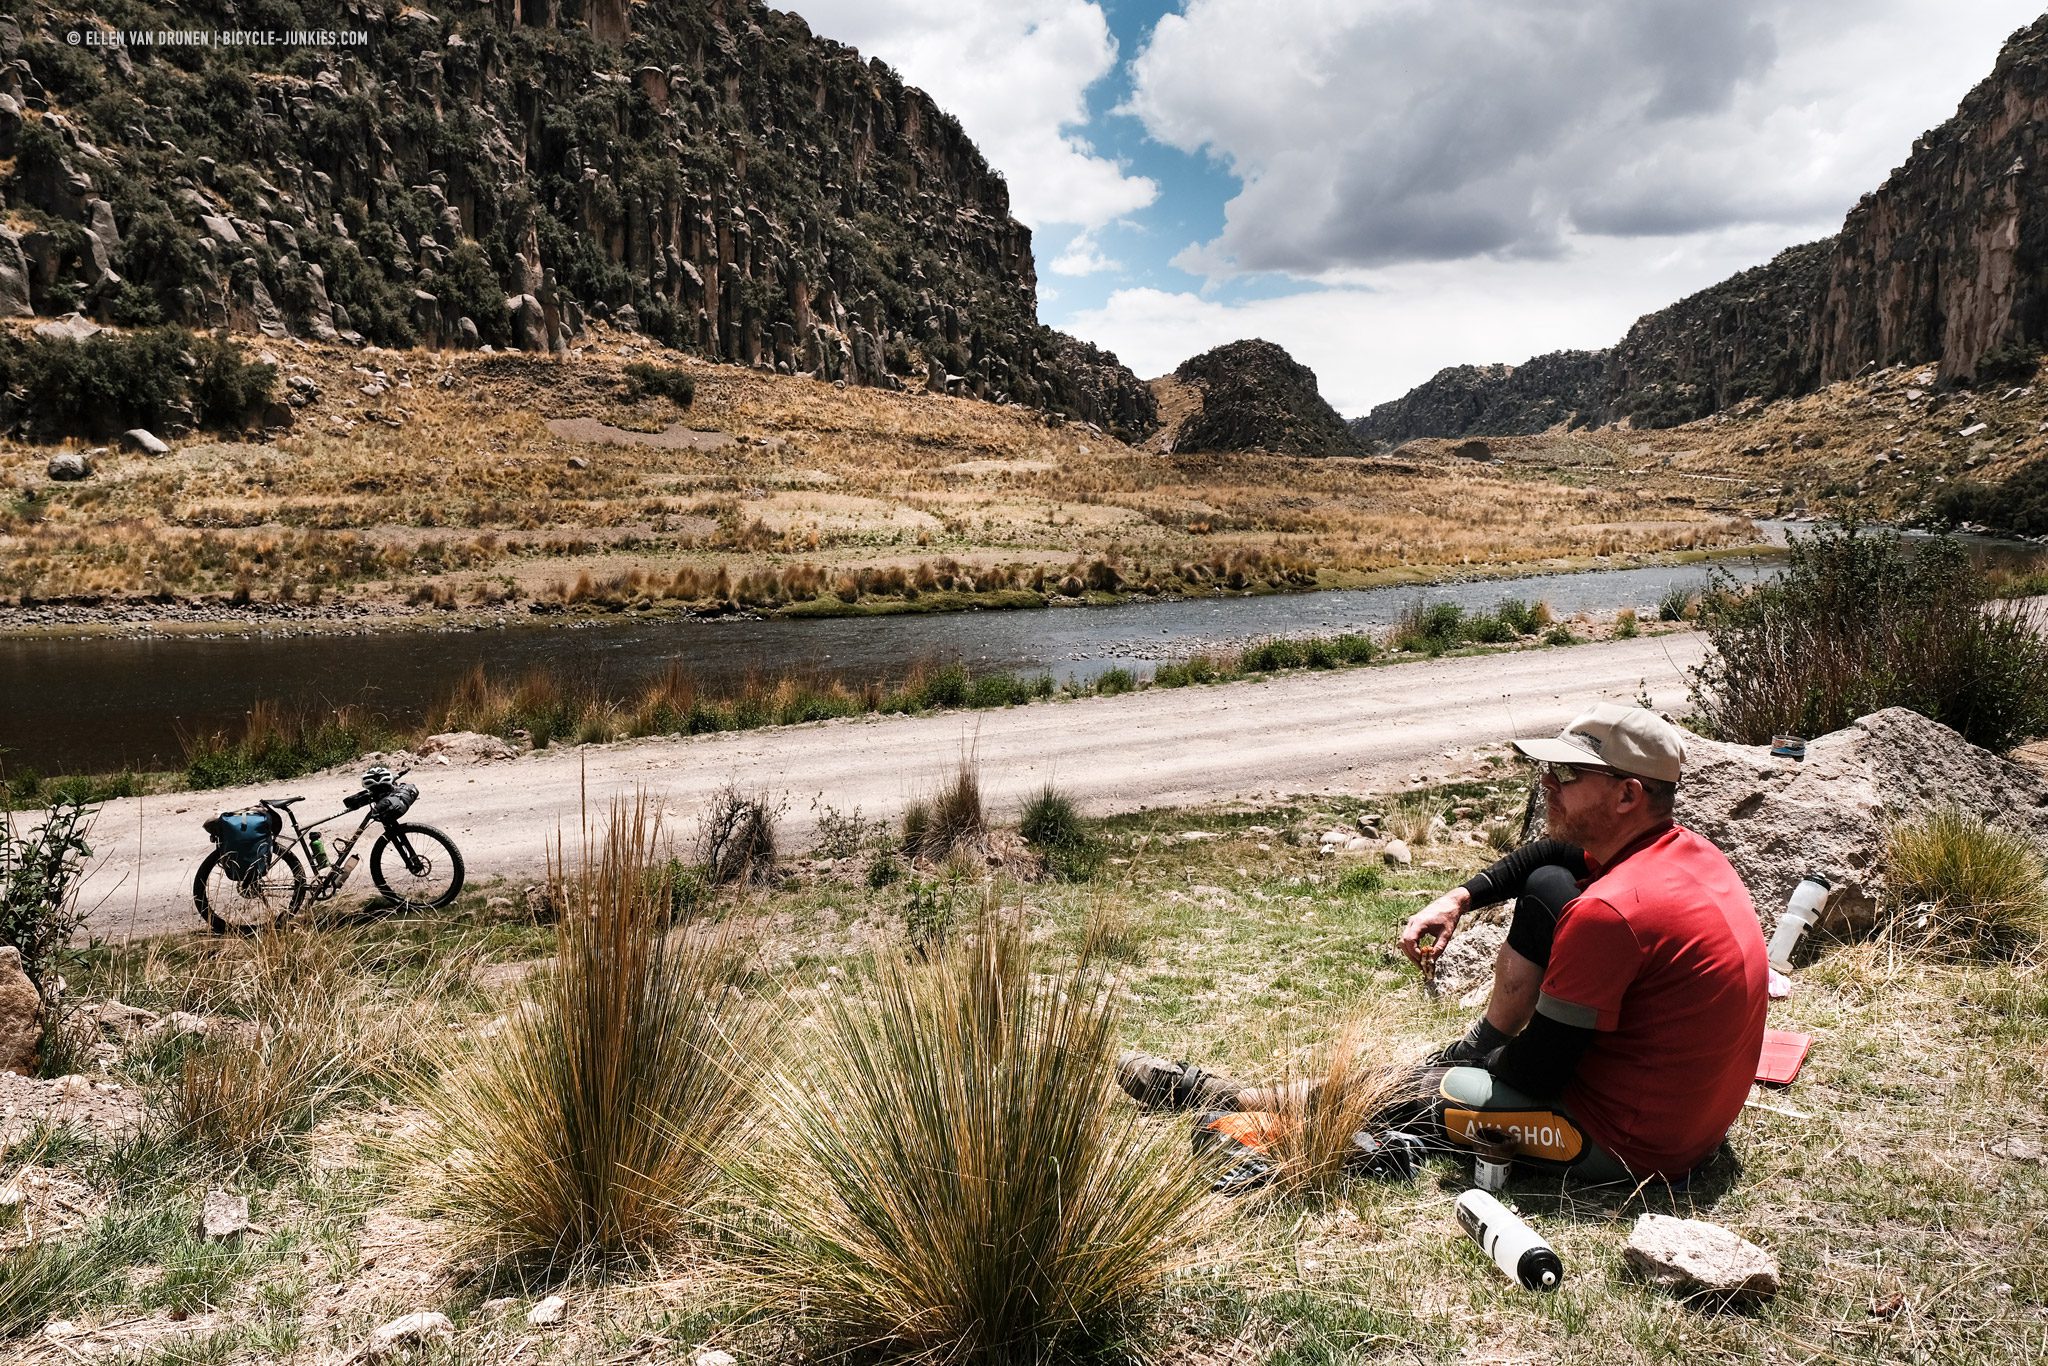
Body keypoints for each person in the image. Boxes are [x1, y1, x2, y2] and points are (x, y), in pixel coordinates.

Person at [1119, 702, 1769, 1185]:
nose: (1547, 783)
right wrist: (1460, 896)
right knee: (1455, 1051)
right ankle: (1249, 1096)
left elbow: (1534, 1072)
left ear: (1628, 794)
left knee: (1440, 1091)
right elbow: (1550, 858)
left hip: (1625, 1148)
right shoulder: (1686, 855)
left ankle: (1240, 1104)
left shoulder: (1610, 913)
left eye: (1569, 773)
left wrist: (1434, 1075)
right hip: (1692, 1125)